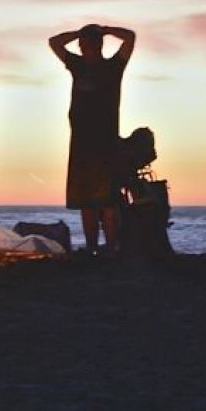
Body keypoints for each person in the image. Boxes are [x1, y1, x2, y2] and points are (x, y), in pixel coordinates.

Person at [48, 23, 136, 255]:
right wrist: (79, 32)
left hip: (105, 144)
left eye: (87, 43)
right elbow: (54, 42)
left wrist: (105, 29)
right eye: (83, 43)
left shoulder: (113, 67)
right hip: (80, 144)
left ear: (97, 45)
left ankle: (111, 247)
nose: (84, 47)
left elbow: (130, 37)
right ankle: (91, 247)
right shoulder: (76, 65)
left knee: (107, 202)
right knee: (85, 201)